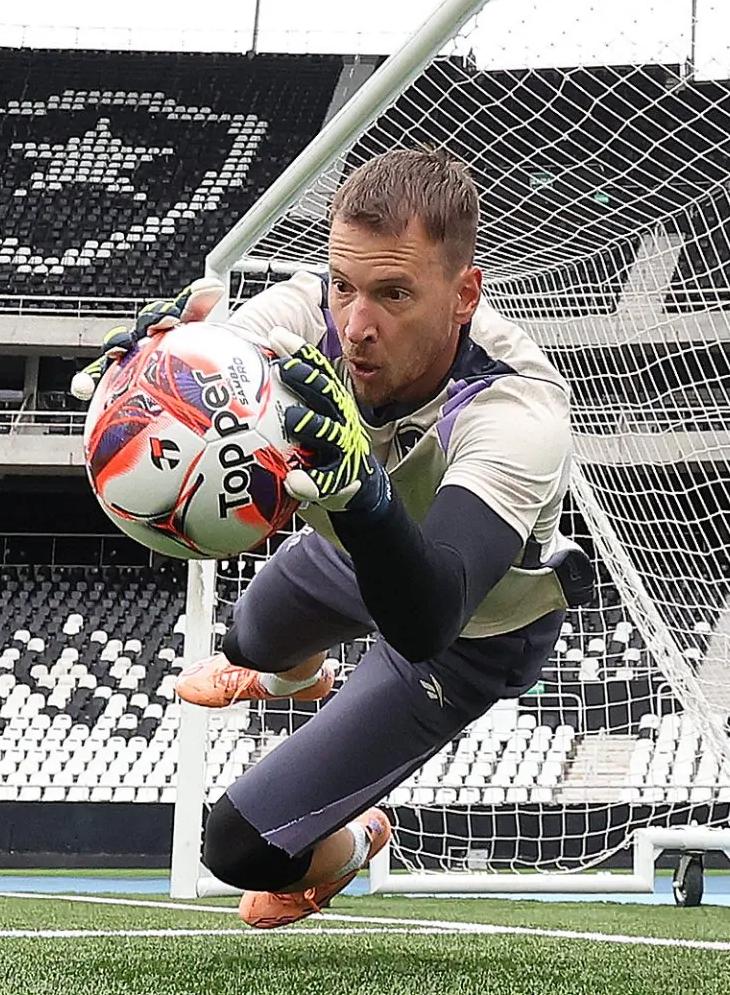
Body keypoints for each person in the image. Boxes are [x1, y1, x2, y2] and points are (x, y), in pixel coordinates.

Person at [73, 148, 592, 928]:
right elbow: (213, 373)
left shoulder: (517, 410)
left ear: (464, 295)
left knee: (239, 849)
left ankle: (353, 844)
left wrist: (357, 489)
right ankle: (290, 675)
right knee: (249, 634)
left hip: (468, 620)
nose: (355, 325)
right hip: (354, 541)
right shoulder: (301, 313)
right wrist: (157, 365)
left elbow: (426, 618)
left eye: (393, 294)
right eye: (344, 285)